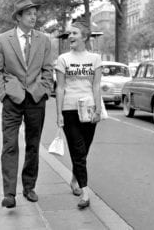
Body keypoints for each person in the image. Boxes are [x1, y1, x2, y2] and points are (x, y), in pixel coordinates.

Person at [0, 0, 53, 209]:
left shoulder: (44, 40)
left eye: (35, 14)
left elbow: (48, 69)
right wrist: (3, 95)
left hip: (36, 99)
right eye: (29, 14)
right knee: (9, 145)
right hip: (12, 99)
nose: (34, 17)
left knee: (33, 145)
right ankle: (9, 193)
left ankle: (29, 187)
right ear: (18, 17)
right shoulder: (1, 40)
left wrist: (44, 90)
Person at [55, 19, 102, 209]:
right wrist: (59, 114)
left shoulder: (95, 59)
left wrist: (98, 109)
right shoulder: (63, 59)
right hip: (69, 110)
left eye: (74, 33)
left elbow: (96, 85)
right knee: (78, 150)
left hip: (89, 109)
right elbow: (59, 88)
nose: (70, 37)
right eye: (69, 33)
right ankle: (85, 193)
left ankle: (75, 179)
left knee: (84, 150)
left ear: (84, 37)